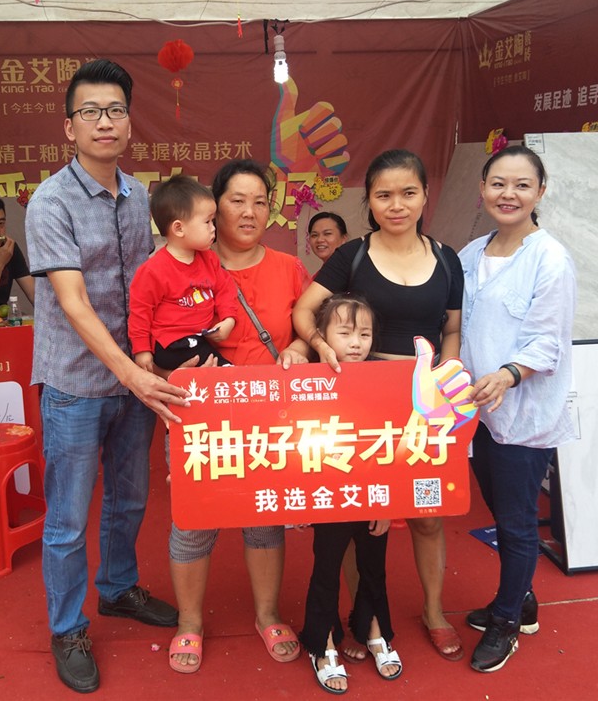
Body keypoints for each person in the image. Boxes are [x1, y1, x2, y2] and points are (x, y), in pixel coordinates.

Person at [24, 59, 188, 695]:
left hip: (135, 380)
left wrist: (158, 357)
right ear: (69, 127)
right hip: (75, 384)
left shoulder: (139, 195)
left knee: (130, 497)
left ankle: (118, 589)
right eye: (90, 111)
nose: (104, 122)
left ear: (129, 122)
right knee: (68, 517)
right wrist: (131, 373)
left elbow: (150, 284)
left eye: (115, 110)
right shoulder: (50, 202)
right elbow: (73, 302)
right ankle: (67, 627)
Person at [292, 149, 466, 664]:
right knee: (358, 513)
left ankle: (434, 612)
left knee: (426, 514)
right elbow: (305, 310)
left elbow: (452, 328)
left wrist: (445, 378)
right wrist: (319, 347)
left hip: (423, 403)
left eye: (408, 193)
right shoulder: (353, 255)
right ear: (368, 201)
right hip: (362, 403)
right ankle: (363, 617)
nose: (397, 205)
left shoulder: (447, 259)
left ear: (425, 196)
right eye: (384, 195)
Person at [167, 158, 311, 674]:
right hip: (199, 414)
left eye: (260, 202)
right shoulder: (179, 266)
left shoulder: (289, 267)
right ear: (214, 207)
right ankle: (189, 621)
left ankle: (267, 614)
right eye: (237, 201)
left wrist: (297, 348)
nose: (249, 212)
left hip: (270, 415)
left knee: (264, 518)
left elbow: (311, 327)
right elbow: (156, 334)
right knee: (194, 519)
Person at [459, 145, 576, 673]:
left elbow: (547, 342)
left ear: (540, 192)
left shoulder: (550, 258)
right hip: (478, 414)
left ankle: (508, 620)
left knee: (516, 521)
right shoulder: (471, 253)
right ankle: (520, 599)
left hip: (523, 415)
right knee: (501, 512)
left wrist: (507, 375)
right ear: (482, 189)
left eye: (522, 185)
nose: (509, 194)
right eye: (498, 184)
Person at [300, 293, 401, 694]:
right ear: (322, 336)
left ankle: (374, 628)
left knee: (374, 562)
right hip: (329, 493)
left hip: (375, 491)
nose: (356, 343)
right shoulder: (307, 380)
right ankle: (321, 642)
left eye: (364, 334)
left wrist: (388, 502)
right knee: (326, 566)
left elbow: (397, 445)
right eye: (344, 333)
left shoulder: (385, 378)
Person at [128, 175, 237, 371]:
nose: (213, 228)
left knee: (214, 369)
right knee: (224, 370)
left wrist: (229, 319)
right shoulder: (153, 270)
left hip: (199, 339)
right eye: (207, 222)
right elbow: (140, 312)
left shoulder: (209, 259)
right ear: (179, 228)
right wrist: (142, 350)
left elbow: (225, 289)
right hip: (170, 344)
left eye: (213, 221)